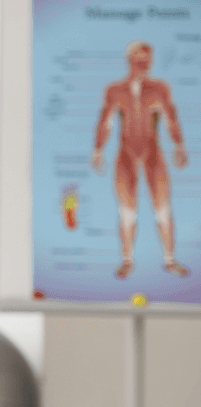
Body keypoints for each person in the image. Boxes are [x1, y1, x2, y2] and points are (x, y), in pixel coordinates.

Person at [92, 41, 190, 279]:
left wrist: (179, 145)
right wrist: (98, 149)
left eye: (147, 59)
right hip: (126, 152)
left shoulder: (159, 88)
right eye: (138, 58)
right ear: (129, 60)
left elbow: (171, 118)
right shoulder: (115, 90)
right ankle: (127, 260)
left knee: (162, 207)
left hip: (152, 152)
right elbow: (105, 121)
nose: (143, 63)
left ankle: (169, 260)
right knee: (127, 210)